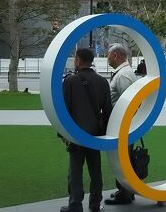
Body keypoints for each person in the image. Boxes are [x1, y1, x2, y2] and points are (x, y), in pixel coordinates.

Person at [61, 48, 112, 212]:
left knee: (75, 170)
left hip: (76, 133)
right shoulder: (102, 82)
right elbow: (108, 110)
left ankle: (75, 204)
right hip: (95, 133)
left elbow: (64, 110)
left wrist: (64, 134)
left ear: (78, 60)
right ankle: (95, 204)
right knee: (95, 170)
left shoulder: (70, 81)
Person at [105, 44, 138, 205]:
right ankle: (125, 191)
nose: (107, 57)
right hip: (121, 124)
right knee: (123, 158)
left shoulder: (123, 75)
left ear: (116, 55)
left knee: (123, 158)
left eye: (108, 55)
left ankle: (125, 193)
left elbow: (130, 103)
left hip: (123, 125)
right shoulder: (123, 73)